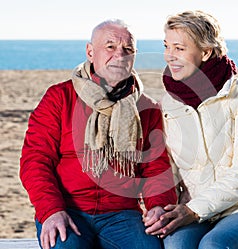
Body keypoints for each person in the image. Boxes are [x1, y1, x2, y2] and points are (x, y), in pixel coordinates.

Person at [20, 19, 177, 249]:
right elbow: (35, 161)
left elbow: (155, 169)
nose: (120, 54)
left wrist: (158, 206)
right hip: (67, 209)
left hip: (122, 215)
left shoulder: (146, 107)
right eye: (110, 46)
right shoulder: (59, 98)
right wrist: (51, 211)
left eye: (128, 49)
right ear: (90, 52)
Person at [143, 10, 238, 249]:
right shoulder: (169, 103)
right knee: (175, 246)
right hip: (193, 209)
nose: (169, 56)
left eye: (179, 48)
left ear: (205, 52)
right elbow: (169, 168)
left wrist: (193, 210)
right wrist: (161, 207)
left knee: (213, 245)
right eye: (167, 46)